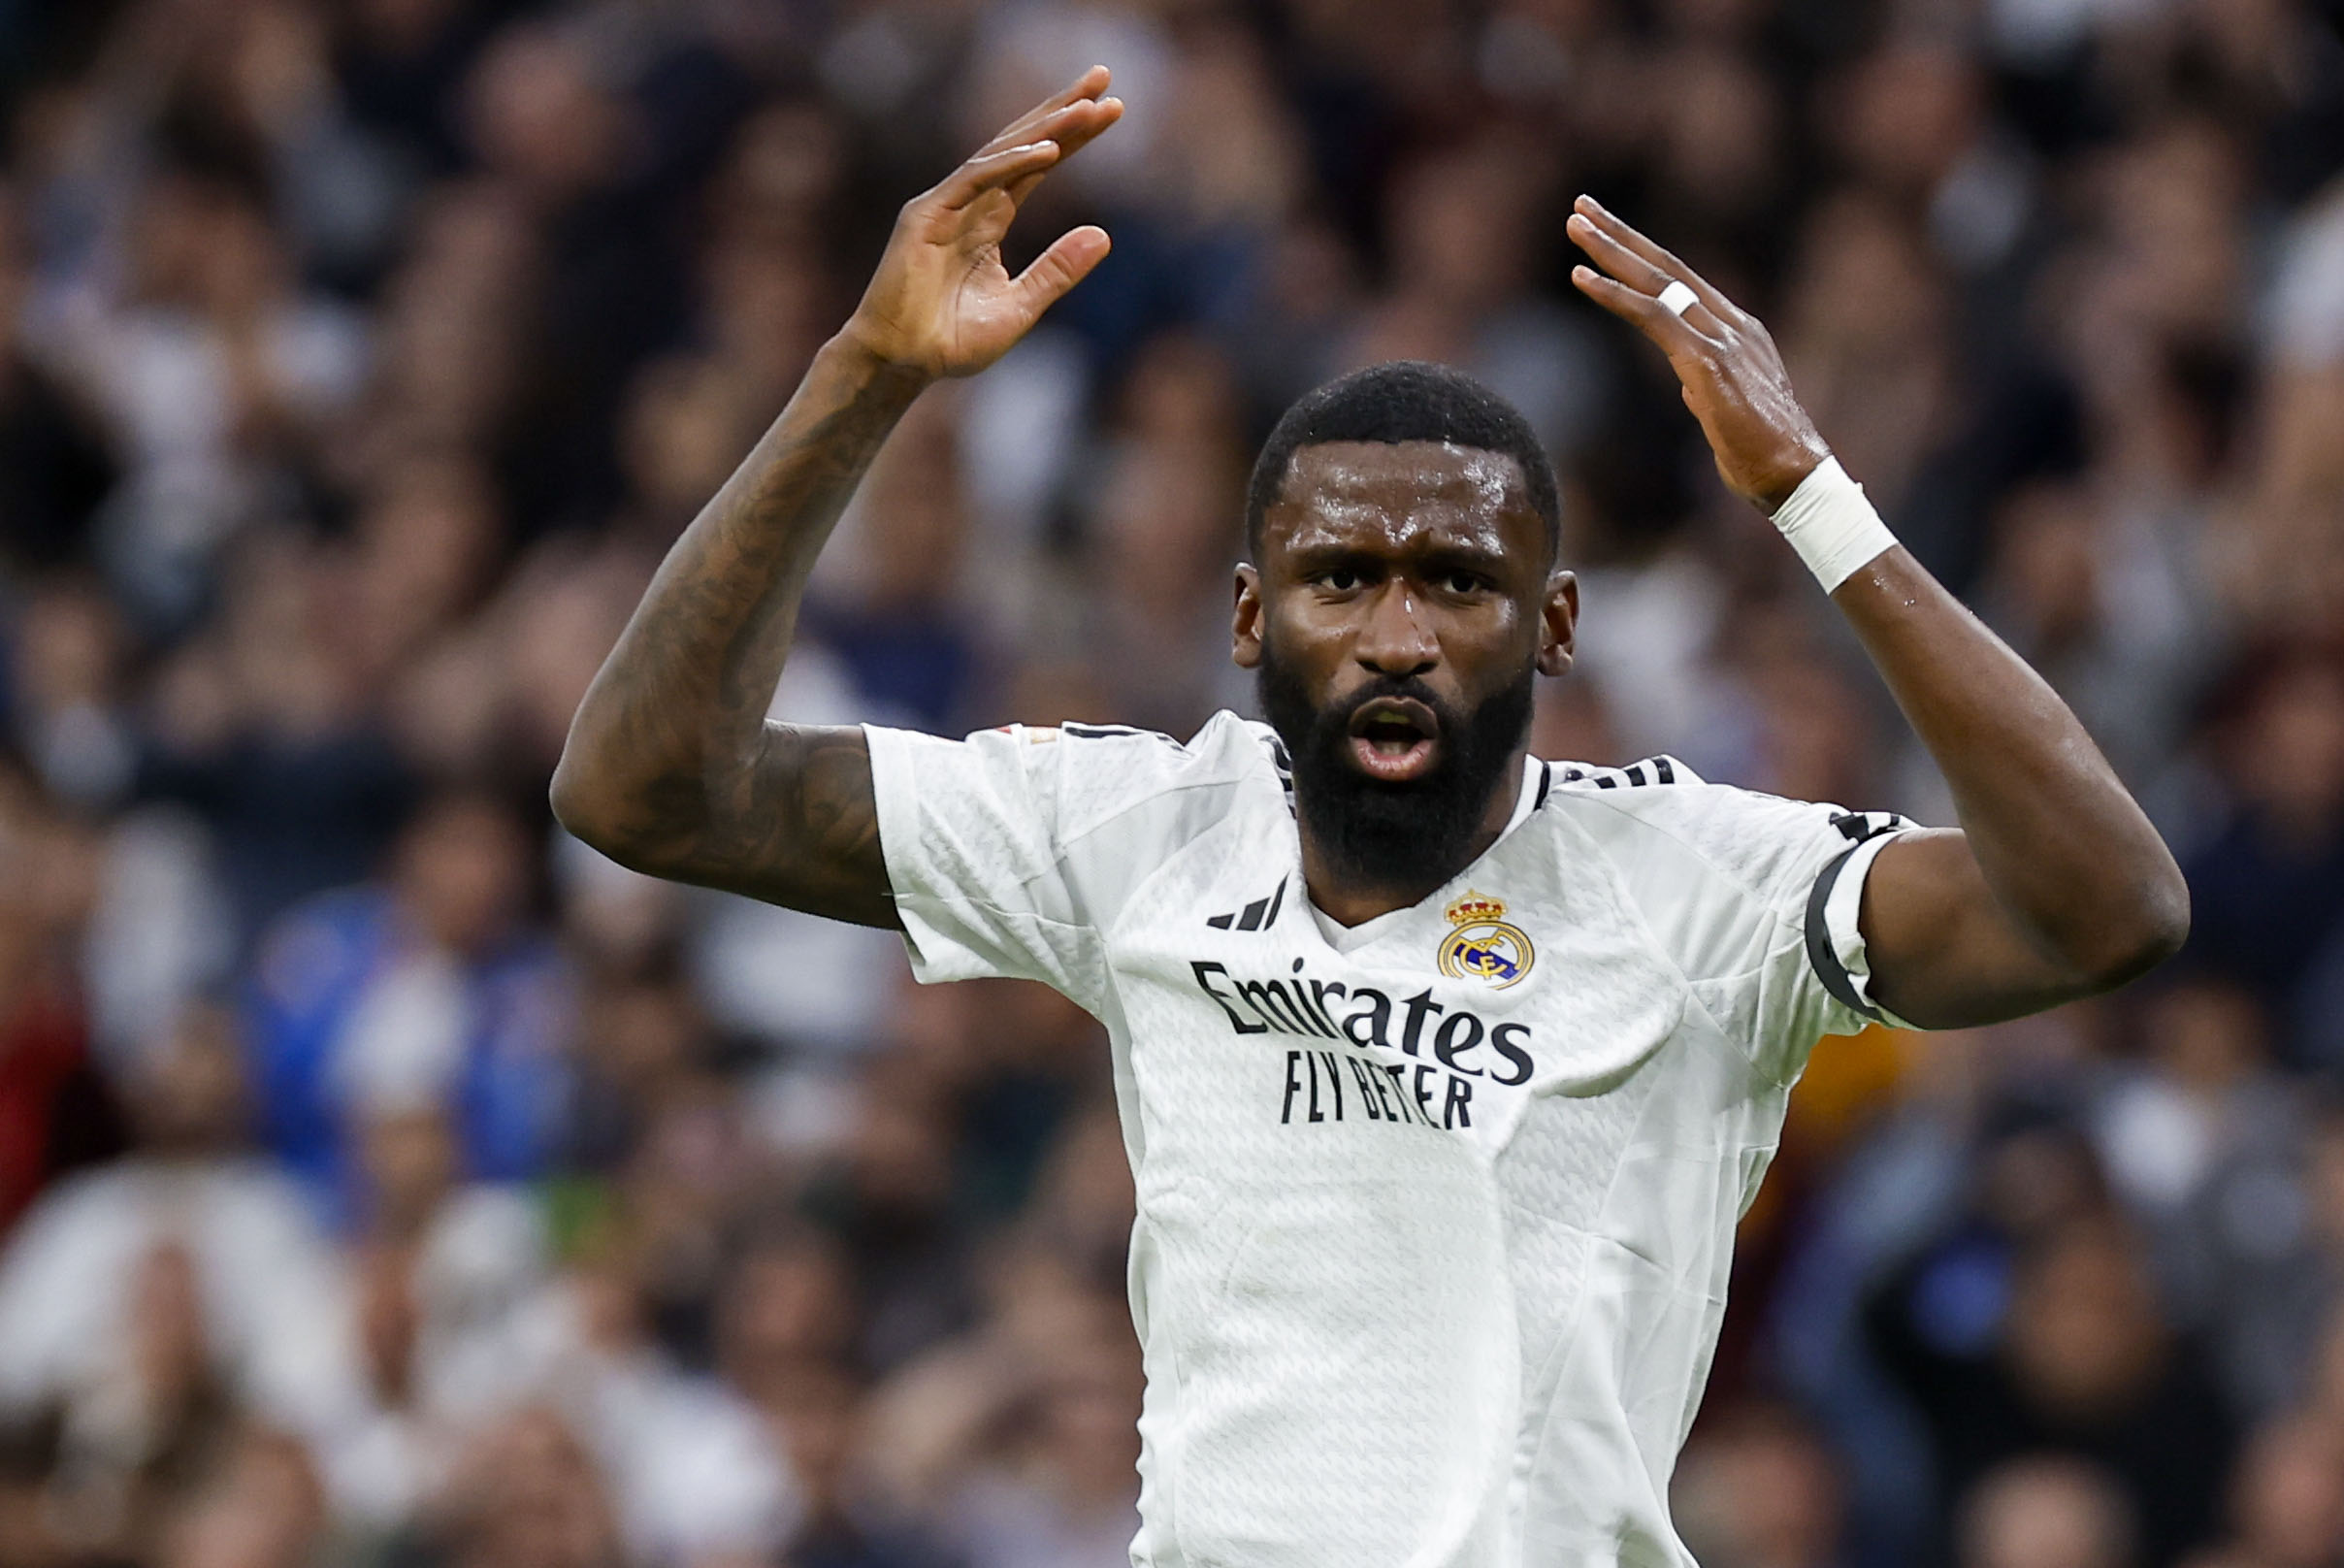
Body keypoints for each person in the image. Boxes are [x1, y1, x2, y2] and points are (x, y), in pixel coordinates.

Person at [551, 67, 2190, 1568]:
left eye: (1458, 584)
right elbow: (645, 788)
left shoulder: (1697, 884)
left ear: (1552, 628)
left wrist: (1813, 502)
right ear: (1254, 618)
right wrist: (864, 372)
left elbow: (2103, 909)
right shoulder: (1140, 823)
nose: (1398, 633)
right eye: (1344, 579)